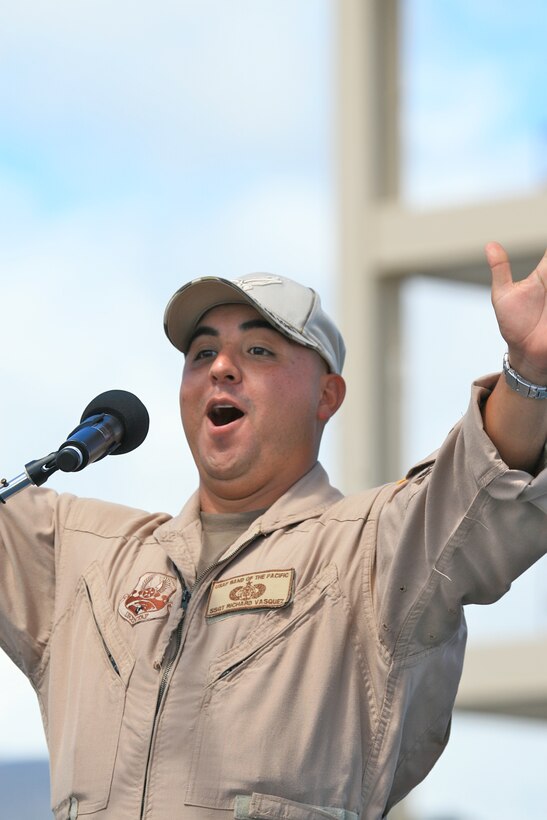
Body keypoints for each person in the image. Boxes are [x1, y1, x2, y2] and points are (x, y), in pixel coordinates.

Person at [0, 242, 546, 820]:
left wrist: (530, 375)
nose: (221, 366)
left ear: (326, 397)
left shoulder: (373, 549)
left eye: (259, 350)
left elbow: (482, 484)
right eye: (201, 352)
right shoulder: (83, 558)